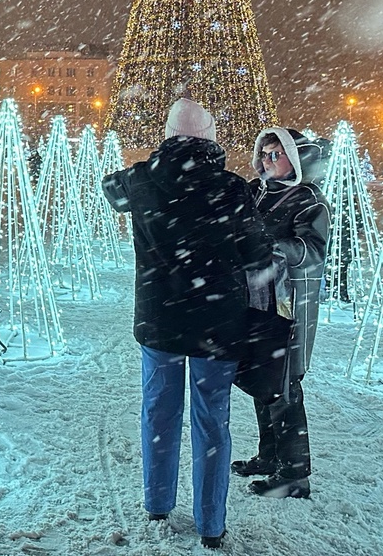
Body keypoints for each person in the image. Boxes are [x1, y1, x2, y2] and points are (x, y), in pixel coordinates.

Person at [103, 98, 274, 551]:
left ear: (168, 133)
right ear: (211, 136)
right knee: (212, 419)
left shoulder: (141, 179)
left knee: (158, 410)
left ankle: (157, 501)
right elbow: (259, 257)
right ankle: (211, 524)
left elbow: (110, 189)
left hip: (161, 319)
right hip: (218, 324)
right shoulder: (232, 188)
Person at [232, 128, 330, 500]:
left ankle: (294, 475)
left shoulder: (309, 201)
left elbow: (312, 251)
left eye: (277, 154)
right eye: (265, 154)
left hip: (289, 306)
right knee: (265, 380)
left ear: (296, 158)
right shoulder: (258, 193)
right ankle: (269, 456)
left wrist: (269, 245)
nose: (268, 161)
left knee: (285, 385)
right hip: (259, 301)